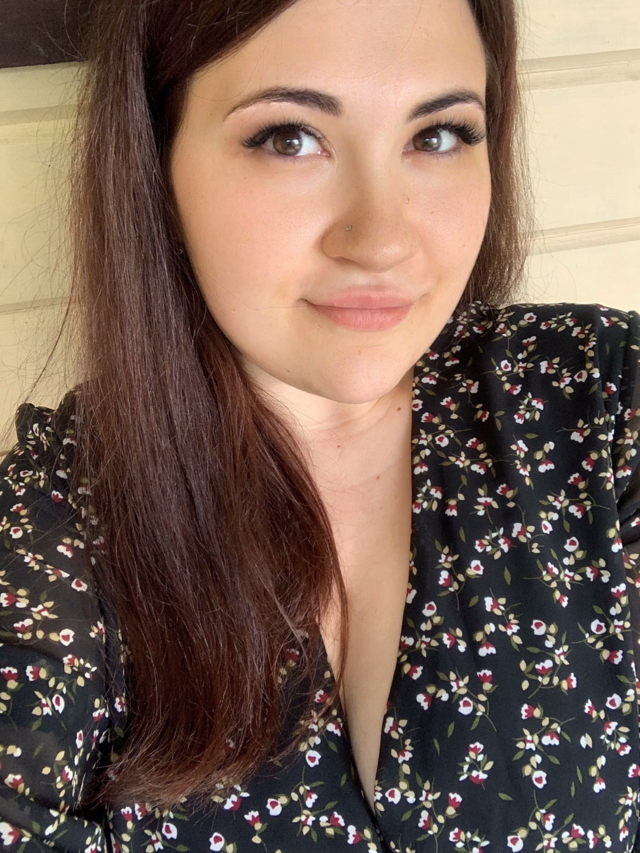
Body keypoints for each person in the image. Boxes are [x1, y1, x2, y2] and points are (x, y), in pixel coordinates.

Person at [1, 0, 639, 849]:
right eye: (289, 137)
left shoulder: (597, 403)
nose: (380, 240)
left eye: (438, 134)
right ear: (158, 162)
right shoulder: (57, 523)